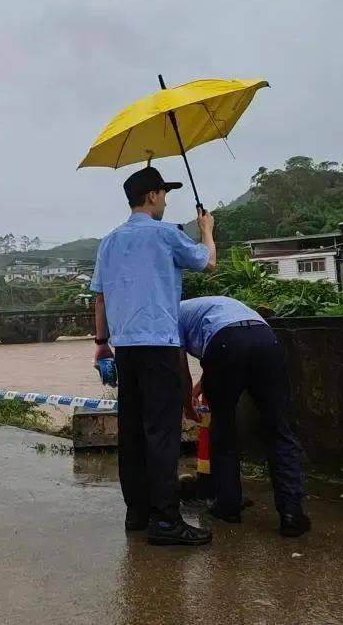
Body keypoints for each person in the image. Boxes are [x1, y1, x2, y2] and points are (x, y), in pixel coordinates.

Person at [91, 167, 216, 546]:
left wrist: (101, 342)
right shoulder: (166, 234)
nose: (165, 201)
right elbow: (208, 263)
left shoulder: (108, 242)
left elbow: (99, 298)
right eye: (163, 194)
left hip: (125, 349)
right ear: (151, 197)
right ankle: (165, 520)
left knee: (132, 432)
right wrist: (207, 229)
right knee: (161, 432)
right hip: (159, 346)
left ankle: (138, 512)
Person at [178, 295, 311, 537]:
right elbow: (235, 341)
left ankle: (227, 505)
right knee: (279, 428)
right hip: (265, 340)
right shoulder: (213, 305)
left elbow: (183, 366)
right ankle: (291, 513)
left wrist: (187, 404)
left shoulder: (170, 315)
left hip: (224, 346)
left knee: (223, 426)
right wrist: (201, 387)